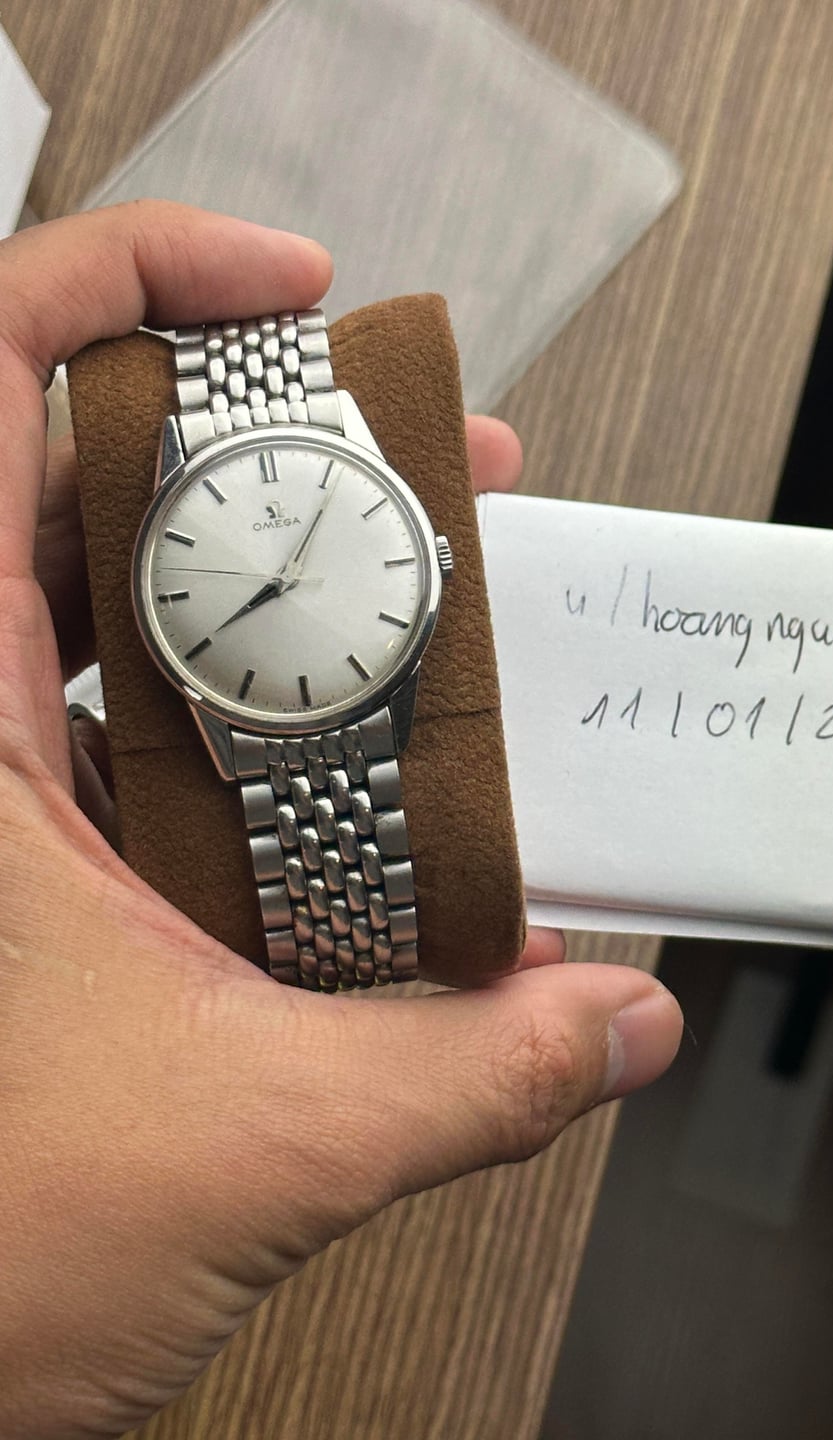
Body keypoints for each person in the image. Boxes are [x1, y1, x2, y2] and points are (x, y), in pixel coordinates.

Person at [0, 202, 684, 1438]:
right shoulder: (238, 553)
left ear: (435, 558)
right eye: (264, 580)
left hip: (340, 689)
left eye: (286, 572)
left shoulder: (370, 515)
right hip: (237, 714)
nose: (275, 579)